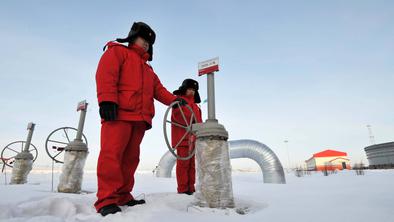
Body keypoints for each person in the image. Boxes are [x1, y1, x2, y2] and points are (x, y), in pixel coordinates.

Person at [95, 22, 186, 216]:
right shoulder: (117, 52)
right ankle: (106, 199)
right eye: (143, 39)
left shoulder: (149, 70)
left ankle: (123, 195)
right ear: (132, 37)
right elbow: (106, 75)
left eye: (149, 43)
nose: (146, 44)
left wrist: (175, 100)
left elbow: (159, 91)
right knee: (112, 156)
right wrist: (107, 101)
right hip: (118, 114)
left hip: (139, 119)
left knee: (130, 159)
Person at [171, 79, 203, 195]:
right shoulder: (179, 102)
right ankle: (183, 189)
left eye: (193, 90)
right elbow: (177, 117)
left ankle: (191, 188)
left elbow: (199, 122)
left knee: (191, 165)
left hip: (193, 140)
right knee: (183, 164)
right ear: (184, 89)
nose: (191, 92)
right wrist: (193, 121)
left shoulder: (196, 106)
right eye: (189, 89)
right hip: (182, 138)